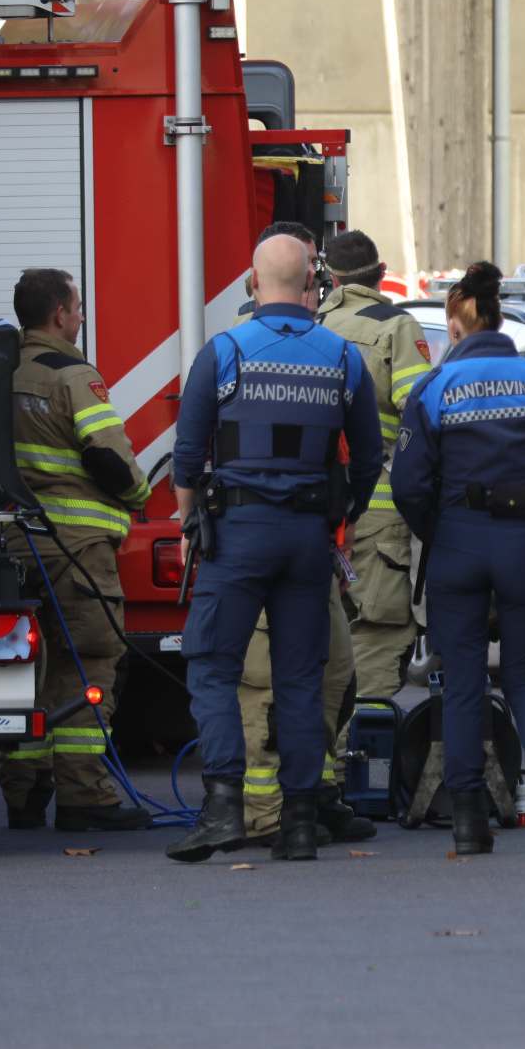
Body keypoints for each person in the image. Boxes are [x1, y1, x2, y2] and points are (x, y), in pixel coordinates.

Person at [165, 234, 383, 862]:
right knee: (298, 678)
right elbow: (368, 460)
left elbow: (187, 457)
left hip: (238, 537)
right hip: (309, 540)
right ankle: (300, 825)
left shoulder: (224, 351)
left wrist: (189, 531)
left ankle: (224, 810)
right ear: (312, 283)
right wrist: (341, 518)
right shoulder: (342, 358)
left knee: (212, 666)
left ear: (252, 283)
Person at [392, 262, 525, 855]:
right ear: (499, 318)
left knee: (462, 685)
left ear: (455, 327)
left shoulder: (433, 388)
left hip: (456, 543)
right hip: (523, 546)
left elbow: (407, 484)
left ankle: (469, 823)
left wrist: (437, 529)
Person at [229, 222, 374, 847]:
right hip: (270, 541)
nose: (314, 279)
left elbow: (356, 453)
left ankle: (317, 792)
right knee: (267, 685)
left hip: (320, 545)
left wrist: (343, 521)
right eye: (307, 266)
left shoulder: (330, 348)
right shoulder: (246, 347)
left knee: (336, 675)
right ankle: (269, 813)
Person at [3, 268, 153, 831]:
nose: (82, 317)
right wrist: (139, 493)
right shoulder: (72, 374)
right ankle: (83, 797)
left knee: (26, 670)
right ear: (59, 315)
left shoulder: (0, 373)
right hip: (76, 549)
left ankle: (22, 794)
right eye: (78, 308)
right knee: (87, 662)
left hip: (16, 549)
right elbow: (109, 459)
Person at [314, 229, 431, 701]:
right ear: (382, 275)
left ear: (328, 278)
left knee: (316, 630)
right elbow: (421, 414)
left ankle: (318, 755)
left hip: (313, 506)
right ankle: (357, 758)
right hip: (377, 510)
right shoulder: (396, 326)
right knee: (377, 633)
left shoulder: (305, 323)